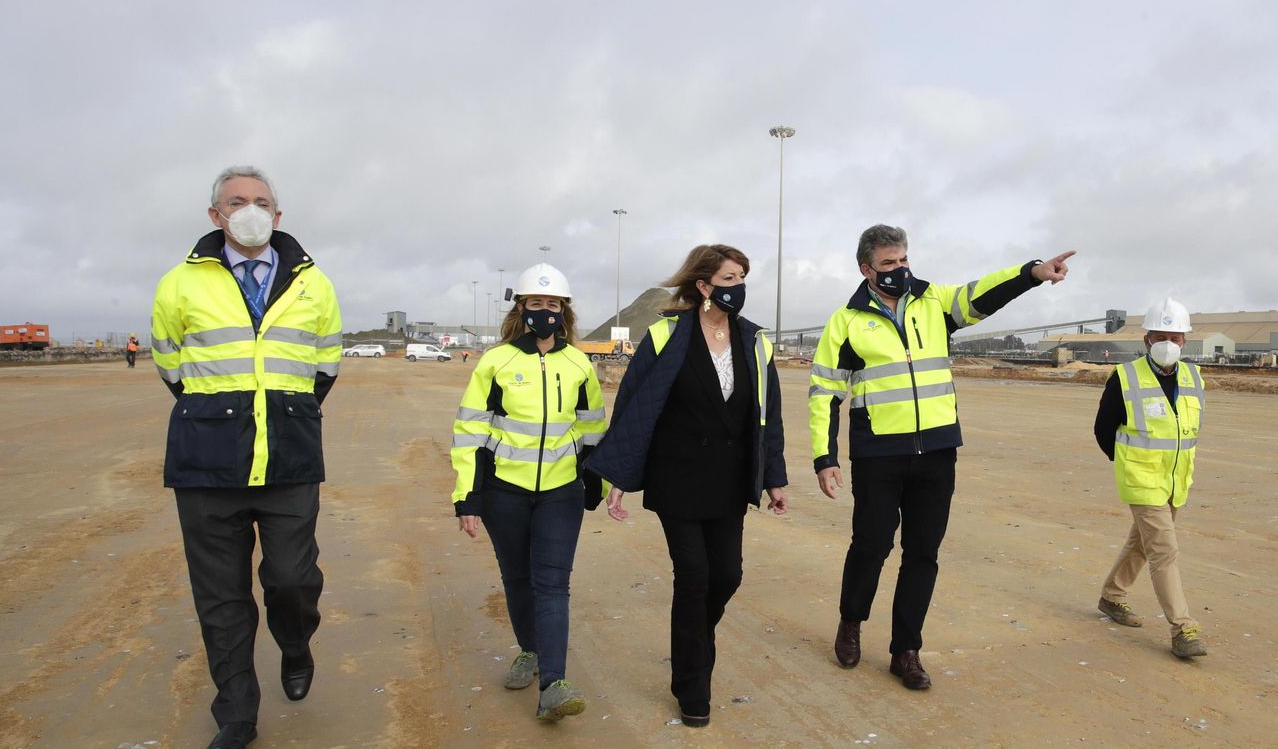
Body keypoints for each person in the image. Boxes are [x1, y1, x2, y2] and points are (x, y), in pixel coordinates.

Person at [809, 224, 1073, 689]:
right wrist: (824, 457)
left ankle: (905, 650)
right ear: (866, 269)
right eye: (888, 263)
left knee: (923, 554)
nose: (899, 269)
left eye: (903, 259)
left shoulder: (935, 303)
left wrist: (1031, 273)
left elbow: (983, 293)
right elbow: (825, 392)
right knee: (871, 546)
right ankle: (851, 623)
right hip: (878, 454)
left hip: (936, 451)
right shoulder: (846, 322)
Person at [150, 166, 342, 749]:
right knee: (221, 597)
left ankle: (294, 644)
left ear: (278, 216)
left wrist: (280, 415)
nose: (250, 209)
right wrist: (223, 419)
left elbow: (325, 367)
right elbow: (170, 367)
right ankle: (237, 710)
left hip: (288, 459)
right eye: (237, 201)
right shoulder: (178, 285)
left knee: (291, 579)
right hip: (208, 466)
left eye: (261, 201)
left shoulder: (316, 285)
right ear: (216, 216)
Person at [587, 245, 787, 727]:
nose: (738, 286)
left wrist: (774, 478)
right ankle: (692, 684)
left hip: (729, 478)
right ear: (703, 285)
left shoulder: (754, 341)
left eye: (742, 277)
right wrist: (619, 473)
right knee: (694, 577)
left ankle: (692, 640)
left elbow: (769, 416)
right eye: (729, 277)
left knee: (727, 576)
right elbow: (635, 406)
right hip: (676, 476)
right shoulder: (666, 334)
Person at [450, 263, 607, 722]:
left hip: (560, 492)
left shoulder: (579, 364)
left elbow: (592, 427)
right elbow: (470, 433)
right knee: (518, 580)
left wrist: (595, 480)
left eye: (553, 304)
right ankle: (529, 650)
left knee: (553, 584)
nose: (545, 311)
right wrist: (468, 498)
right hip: (505, 492)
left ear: (565, 312)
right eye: (536, 304)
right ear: (520, 308)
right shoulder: (495, 362)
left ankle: (554, 684)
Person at [1092, 297, 1208, 659]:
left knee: (1142, 544)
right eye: (1161, 337)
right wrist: (1127, 461)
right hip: (1142, 481)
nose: (1168, 345)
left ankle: (1112, 597)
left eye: (1175, 338)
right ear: (1146, 340)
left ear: (1185, 341)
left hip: (1175, 481)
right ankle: (1182, 628)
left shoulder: (1194, 377)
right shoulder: (1125, 377)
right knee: (1164, 550)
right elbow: (1103, 429)